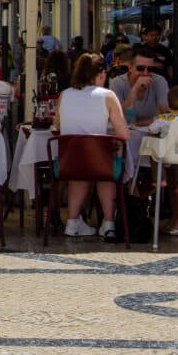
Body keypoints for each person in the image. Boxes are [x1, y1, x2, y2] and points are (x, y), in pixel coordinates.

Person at [54, 53, 130, 239]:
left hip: (69, 162)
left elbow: (58, 126)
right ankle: (109, 223)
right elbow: (124, 134)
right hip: (99, 163)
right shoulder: (108, 95)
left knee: (80, 171)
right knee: (105, 171)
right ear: (102, 74)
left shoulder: (64, 95)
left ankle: (72, 222)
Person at [146, 86, 178, 237]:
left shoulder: (164, 118)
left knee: (153, 152)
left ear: (168, 104)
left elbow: (151, 130)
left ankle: (159, 179)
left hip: (168, 154)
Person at [110, 47, 170, 126]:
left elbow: (166, 115)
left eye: (150, 69)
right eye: (140, 68)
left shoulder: (159, 81)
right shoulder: (118, 83)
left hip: (151, 131)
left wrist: (138, 123)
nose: (145, 73)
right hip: (126, 132)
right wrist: (135, 88)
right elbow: (118, 116)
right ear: (130, 68)